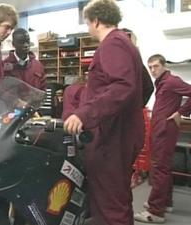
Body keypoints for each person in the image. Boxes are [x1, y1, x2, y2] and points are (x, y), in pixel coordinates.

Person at [63, 0, 145, 224]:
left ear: (96, 20)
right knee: (118, 198)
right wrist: (128, 114)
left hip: (112, 138)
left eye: (88, 23)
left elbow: (122, 86)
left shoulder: (111, 44)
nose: (88, 28)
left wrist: (84, 113)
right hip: (121, 134)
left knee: (109, 205)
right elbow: (145, 87)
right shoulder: (127, 44)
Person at [134, 54, 191, 223]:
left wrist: (181, 112)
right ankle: (166, 202)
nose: (152, 70)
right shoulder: (161, 82)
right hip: (160, 130)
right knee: (164, 168)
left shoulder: (172, 81)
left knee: (159, 169)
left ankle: (155, 211)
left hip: (165, 131)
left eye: (156, 66)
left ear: (164, 66)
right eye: (150, 67)